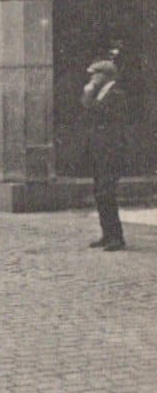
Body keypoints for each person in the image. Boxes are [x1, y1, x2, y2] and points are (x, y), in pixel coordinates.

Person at [83, 57, 127, 251]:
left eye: (95, 74)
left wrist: (89, 94)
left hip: (111, 152)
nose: (92, 77)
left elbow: (102, 114)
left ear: (105, 75)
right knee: (100, 193)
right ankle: (107, 234)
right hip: (100, 151)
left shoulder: (116, 94)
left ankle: (116, 237)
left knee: (107, 193)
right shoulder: (101, 93)